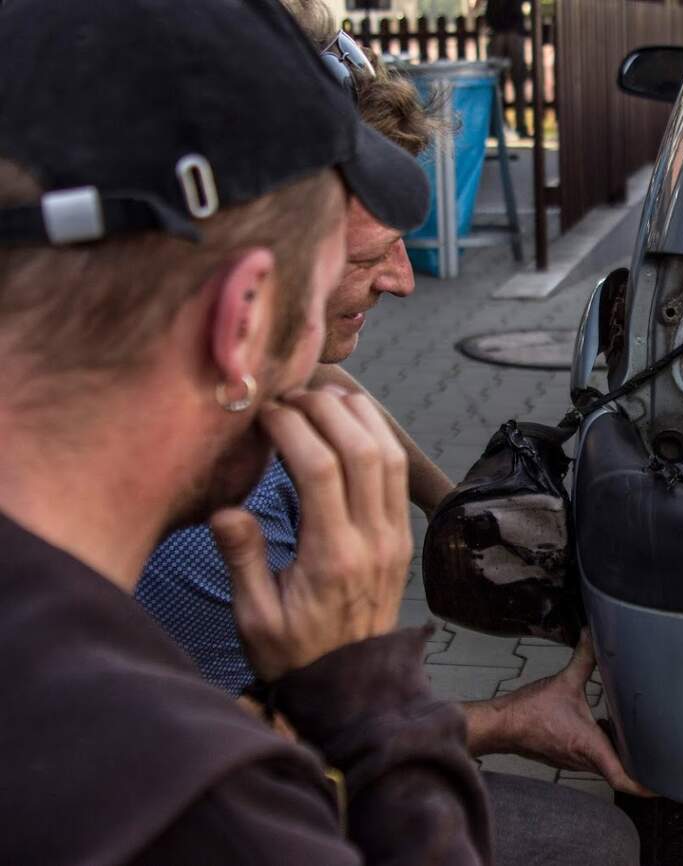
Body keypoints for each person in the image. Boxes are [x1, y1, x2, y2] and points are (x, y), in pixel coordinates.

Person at [133, 3, 645, 863]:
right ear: (251, 269)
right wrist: (503, 719)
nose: (406, 283)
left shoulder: (247, 358)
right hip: (205, 804)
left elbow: (323, 378)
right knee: (590, 841)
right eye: (370, 260)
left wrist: (459, 508)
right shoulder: (210, 520)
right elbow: (251, 762)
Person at [0, 0, 492, 863]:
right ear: (242, 320)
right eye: (316, 291)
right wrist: (377, 705)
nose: (402, 287)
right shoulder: (193, 802)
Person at [482, 0, 531, 138]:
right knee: (501, 82)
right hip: (506, 28)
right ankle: (504, 124)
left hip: (504, 28)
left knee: (504, 82)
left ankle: (508, 125)